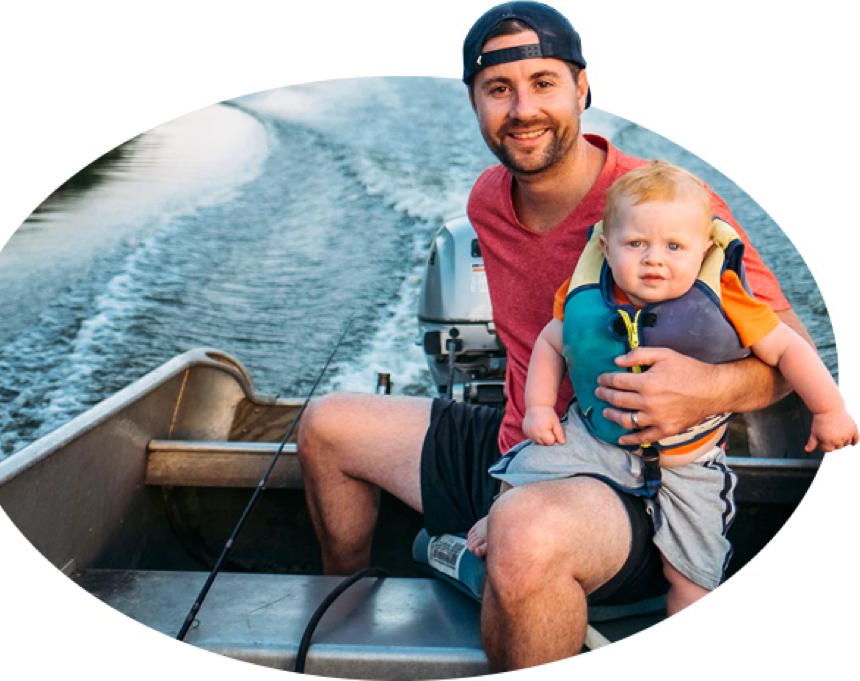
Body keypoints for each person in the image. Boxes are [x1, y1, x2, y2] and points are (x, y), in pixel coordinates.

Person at [297, 1, 811, 670]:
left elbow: (792, 348)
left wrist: (708, 387)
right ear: (475, 103)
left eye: (544, 83)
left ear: (582, 89)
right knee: (328, 425)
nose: (522, 109)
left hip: (636, 481)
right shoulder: (487, 200)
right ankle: (342, 631)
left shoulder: (665, 210)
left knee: (526, 531)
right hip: (521, 447)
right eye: (498, 90)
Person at [465, 160, 858, 615]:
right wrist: (538, 407)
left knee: (695, 578)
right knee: (521, 470)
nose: (654, 258)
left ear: (703, 251)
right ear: (607, 249)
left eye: (674, 246)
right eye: (636, 243)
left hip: (687, 462)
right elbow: (551, 343)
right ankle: (496, 521)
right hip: (593, 440)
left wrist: (828, 410)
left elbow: (790, 351)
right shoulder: (585, 292)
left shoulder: (727, 297)